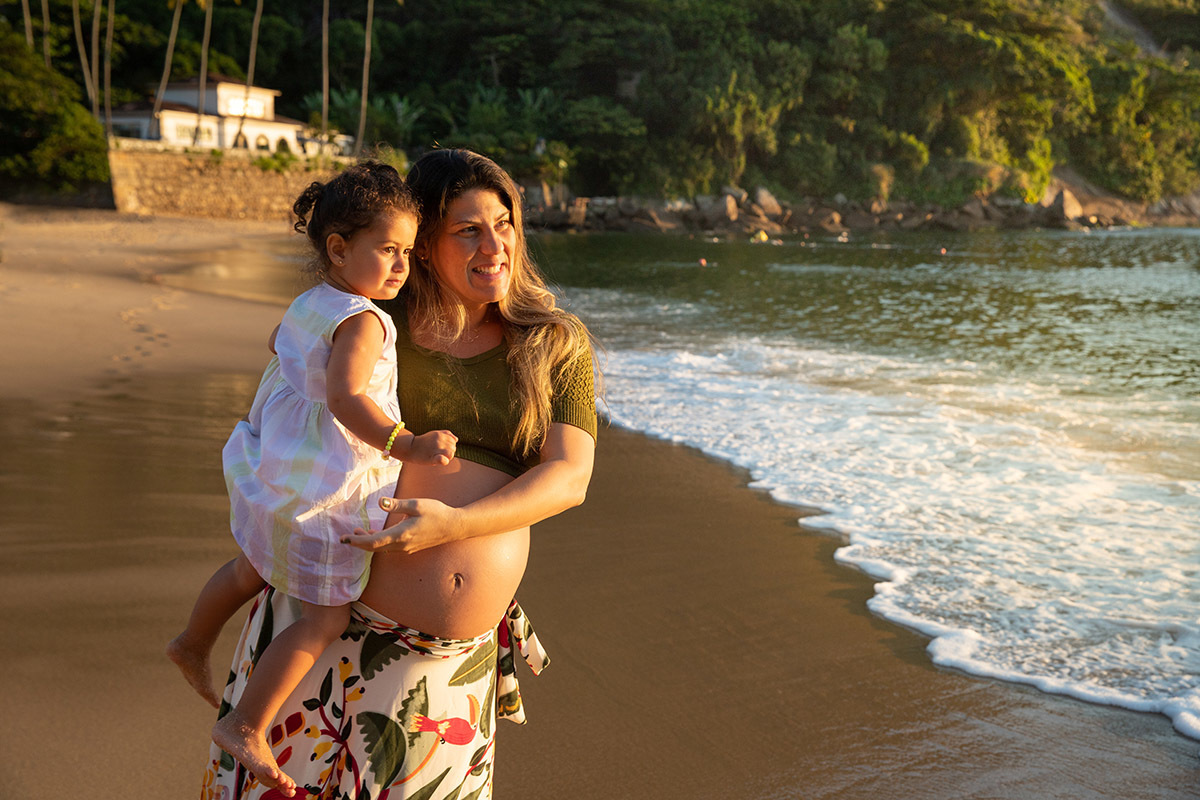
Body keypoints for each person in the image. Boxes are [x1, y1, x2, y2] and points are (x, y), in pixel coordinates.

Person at [200, 148, 599, 800]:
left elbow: (569, 476)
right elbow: (285, 414)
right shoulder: (375, 326)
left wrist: (456, 525)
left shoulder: (553, 342)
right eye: (467, 229)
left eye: (505, 224)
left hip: (440, 671)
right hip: (318, 618)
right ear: (421, 242)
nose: (495, 245)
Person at [170, 161, 458, 796]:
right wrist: (404, 441)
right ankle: (246, 724)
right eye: (388, 250)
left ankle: (193, 641)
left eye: (408, 252)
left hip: (283, 462)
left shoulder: (310, 302)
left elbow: (279, 343)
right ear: (338, 248)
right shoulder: (365, 320)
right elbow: (346, 396)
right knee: (324, 615)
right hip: (324, 479)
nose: (402, 266)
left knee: (252, 565)